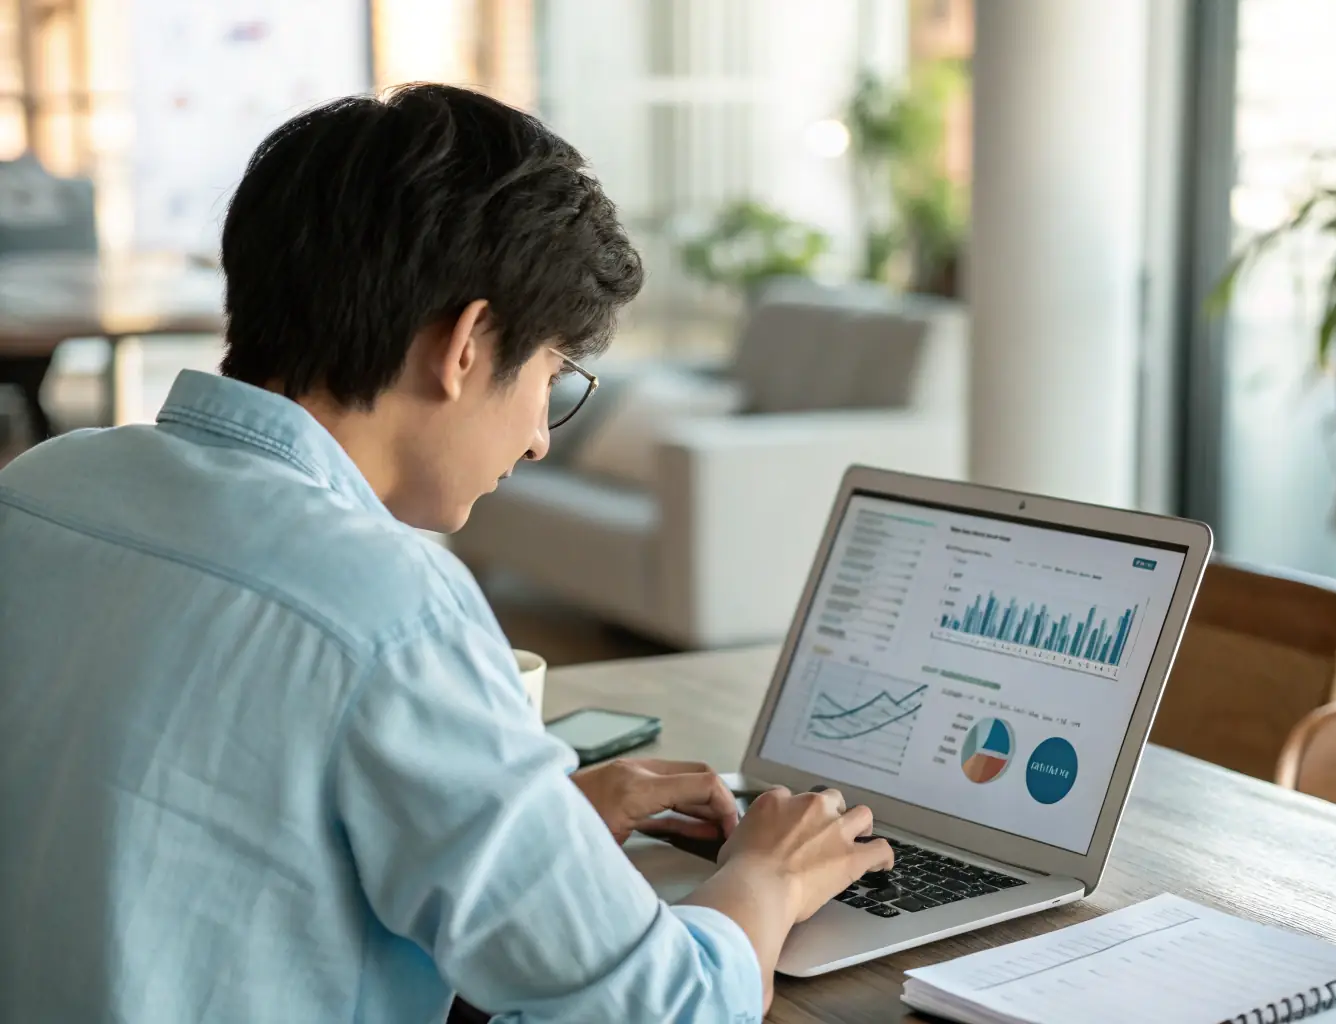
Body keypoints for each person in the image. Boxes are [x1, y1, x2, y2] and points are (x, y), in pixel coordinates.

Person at [0, 84, 891, 1023]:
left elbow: (194, 844)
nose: (543, 437)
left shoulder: (43, 490)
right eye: (553, 374)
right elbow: (660, 1010)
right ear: (465, 345)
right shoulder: (390, 607)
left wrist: (536, 835)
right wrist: (765, 877)